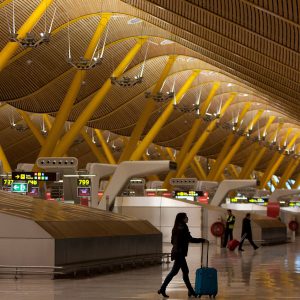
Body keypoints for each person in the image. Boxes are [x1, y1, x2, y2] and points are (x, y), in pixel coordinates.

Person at [158, 212, 207, 298]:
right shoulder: (183, 227)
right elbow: (190, 239)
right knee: (175, 272)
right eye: (186, 217)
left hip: (177, 252)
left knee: (184, 271)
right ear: (182, 218)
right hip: (179, 253)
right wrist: (202, 240)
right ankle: (163, 288)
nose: (187, 218)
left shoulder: (176, 227)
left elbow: (172, 241)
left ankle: (191, 291)